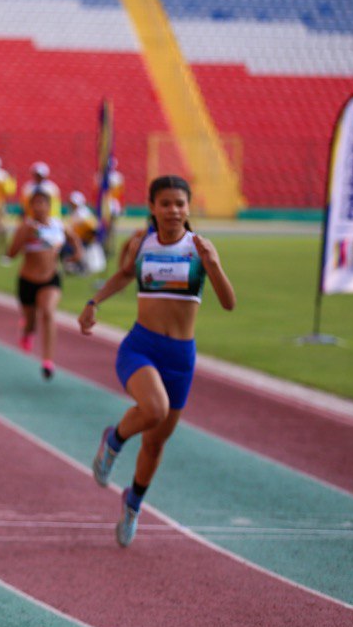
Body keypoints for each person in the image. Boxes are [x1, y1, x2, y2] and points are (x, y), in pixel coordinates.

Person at [79, 175, 236, 547]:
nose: (173, 210)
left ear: (188, 207)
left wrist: (213, 264)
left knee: (155, 443)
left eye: (180, 204)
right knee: (154, 409)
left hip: (180, 358)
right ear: (152, 207)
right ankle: (113, 439)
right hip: (141, 347)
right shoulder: (141, 242)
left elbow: (229, 302)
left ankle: (132, 503)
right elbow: (121, 275)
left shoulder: (199, 248)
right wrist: (92, 304)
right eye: (165, 203)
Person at [8, 188, 81, 381]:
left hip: (50, 279)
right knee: (31, 323)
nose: (39, 207)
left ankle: (48, 361)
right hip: (27, 281)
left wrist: (75, 256)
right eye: (35, 203)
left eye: (43, 203)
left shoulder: (59, 226)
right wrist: (24, 236)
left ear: (50, 206)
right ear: (30, 206)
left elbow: (74, 241)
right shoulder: (26, 227)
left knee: (48, 312)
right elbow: (11, 253)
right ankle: (27, 330)